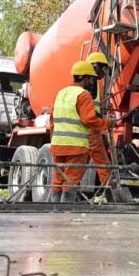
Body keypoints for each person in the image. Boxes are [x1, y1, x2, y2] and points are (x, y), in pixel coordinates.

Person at [50, 61, 113, 202]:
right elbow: (88, 120)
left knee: (58, 180)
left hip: (58, 145)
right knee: (70, 181)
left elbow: (52, 121)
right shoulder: (83, 95)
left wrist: (54, 139)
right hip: (75, 147)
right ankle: (65, 213)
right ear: (84, 78)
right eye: (91, 79)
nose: (92, 81)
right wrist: (107, 123)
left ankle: (54, 212)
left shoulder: (61, 93)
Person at [86, 52, 113, 187]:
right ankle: (108, 187)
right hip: (89, 127)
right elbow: (88, 109)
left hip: (91, 126)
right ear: (96, 67)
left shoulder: (92, 83)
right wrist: (104, 120)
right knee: (101, 159)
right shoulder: (89, 84)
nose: (104, 74)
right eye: (103, 69)